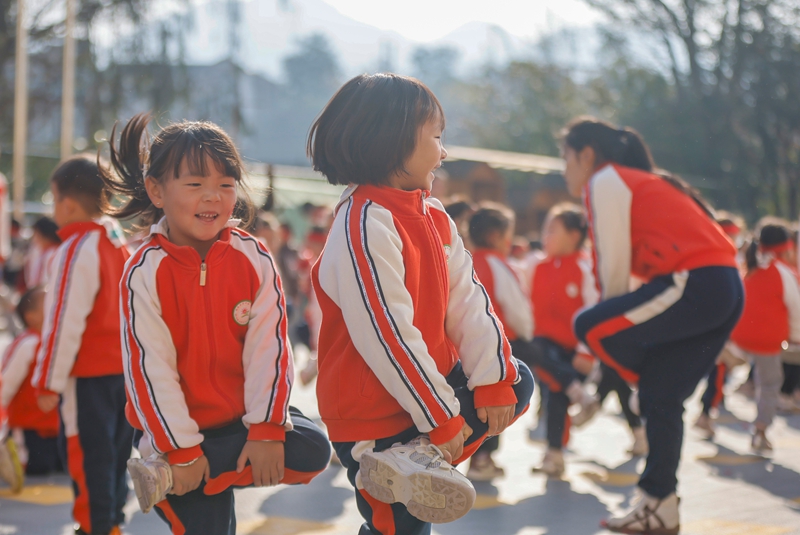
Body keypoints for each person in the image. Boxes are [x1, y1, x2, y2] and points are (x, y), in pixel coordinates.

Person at [308, 73, 534, 535]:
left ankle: (418, 457)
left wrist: (490, 381)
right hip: (376, 411)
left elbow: (469, 300)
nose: (444, 151)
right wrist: (444, 418)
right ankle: (408, 458)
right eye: (435, 137)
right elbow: (388, 335)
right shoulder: (363, 221)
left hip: (424, 398)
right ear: (391, 143)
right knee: (400, 528)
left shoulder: (432, 215)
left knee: (516, 381)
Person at [101, 113, 330, 534]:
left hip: (238, 426)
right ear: (156, 190)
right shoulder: (144, 271)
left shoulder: (253, 256)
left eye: (225, 185)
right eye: (194, 185)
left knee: (313, 446)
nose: (213, 197)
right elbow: (150, 371)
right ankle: (171, 469)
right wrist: (182, 450)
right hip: (175, 433)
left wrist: (265, 431)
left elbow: (271, 350)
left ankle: (180, 477)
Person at [565, 117, 743, 535]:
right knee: (662, 400)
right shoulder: (640, 182)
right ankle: (659, 502)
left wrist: (610, 336)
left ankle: (641, 388)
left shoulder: (606, 179)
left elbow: (612, 270)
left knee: (590, 324)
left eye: (565, 159)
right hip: (723, 287)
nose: (565, 170)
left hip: (696, 282)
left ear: (586, 154)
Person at [30, 154, 134, 535]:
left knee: (87, 458)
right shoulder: (118, 243)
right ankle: (111, 525)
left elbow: (62, 324)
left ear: (68, 203)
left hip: (86, 376)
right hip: (122, 375)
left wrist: (46, 381)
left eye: (52, 199)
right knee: (115, 457)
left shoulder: (76, 249)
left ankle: (95, 528)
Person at [521, 203, 602, 477]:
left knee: (557, 395)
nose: (545, 235)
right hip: (542, 344)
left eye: (552, 229)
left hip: (572, 350)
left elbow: (594, 310)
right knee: (552, 377)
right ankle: (580, 396)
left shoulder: (585, 266)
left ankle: (554, 455)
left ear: (574, 235)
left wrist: (586, 352)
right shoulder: (535, 265)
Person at [466, 204, 534, 481]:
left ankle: (475, 458)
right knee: (499, 398)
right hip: (500, 343)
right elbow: (516, 308)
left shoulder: (465, 259)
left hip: (464, 344)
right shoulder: (499, 263)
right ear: (496, 236)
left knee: (472, 398)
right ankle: (484, 458)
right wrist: (528, 334)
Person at [728, 222, 800, 452]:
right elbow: (796, 308)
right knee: (770, 384)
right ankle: (760, 432)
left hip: (738, 336)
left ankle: (705, 412)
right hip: (767, 340)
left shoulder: (749, 264)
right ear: (788, 246)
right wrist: (796, 337)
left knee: (720, 366)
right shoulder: (783, 271)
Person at [694, 213, 748, 437]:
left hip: (726, 323)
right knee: (717, 370)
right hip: (717, 324)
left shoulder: (735, 258)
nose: (733, 238)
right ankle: (705, 413)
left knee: (719, 370)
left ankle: (708, 409)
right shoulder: (714, 258)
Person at [1, 287, 61, 476]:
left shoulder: (55, 339)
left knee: (60, 466)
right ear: (31, 316)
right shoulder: (28, 343)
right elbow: (6, 383)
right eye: (47, 303)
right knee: (35, 468)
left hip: (53, 424)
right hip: (30, 426)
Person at [21, 217, 61, 292]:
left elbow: (44, 284)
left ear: (41, 234)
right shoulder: (40, 252)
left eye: (35, 233)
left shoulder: (53, 253)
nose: (34, 238)